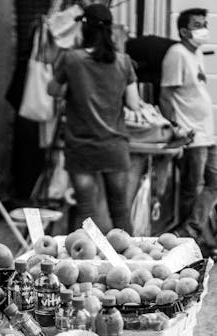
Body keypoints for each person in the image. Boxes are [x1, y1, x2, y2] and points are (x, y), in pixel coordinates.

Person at [48, 4, 140, 233]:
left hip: (81, 147)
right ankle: (128, 263)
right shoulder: (123, 61)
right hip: (114, 146)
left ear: (84, 29)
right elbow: (134, 104)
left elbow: (52, 90)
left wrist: (73, 86)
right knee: (120, 209)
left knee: (86, 212)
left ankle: (86, 266)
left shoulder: (71, 59)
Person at [159, 8, 217, 246]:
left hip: (206, 133)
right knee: (191, 188)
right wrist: (176, 127)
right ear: (183, 30)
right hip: (191, 133)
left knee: (213, 182)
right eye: (197, 25)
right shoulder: (177, 54)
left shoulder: (196, 53)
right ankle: (186, 239)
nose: (204, 28)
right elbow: (165, 95)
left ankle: (189, 230)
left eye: (205, 23)